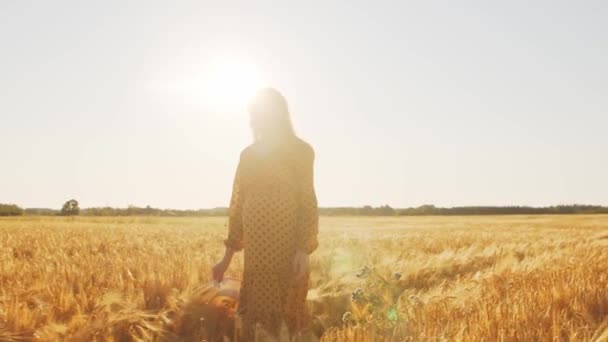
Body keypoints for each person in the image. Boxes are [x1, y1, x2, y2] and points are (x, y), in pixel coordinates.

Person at [212, 88, 319, 341]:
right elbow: (238, 206)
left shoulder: (301, 151)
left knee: (287, 310)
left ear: (279, 114)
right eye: (253, 115)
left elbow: (307, 200)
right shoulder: (248, 155)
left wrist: (303, 248)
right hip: (258, 248)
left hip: (287, 242)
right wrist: (225, 259)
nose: (255, 120)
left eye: (259, 114)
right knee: (257, 314)